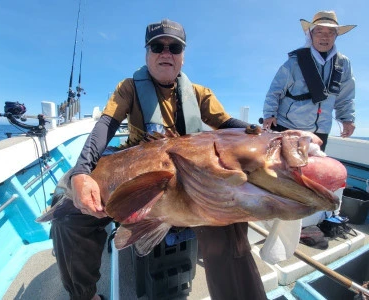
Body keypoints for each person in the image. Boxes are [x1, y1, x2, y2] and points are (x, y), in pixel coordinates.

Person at [50, 19, 267, 300]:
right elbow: (105, 127)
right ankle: (84, 295)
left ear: (182, 56)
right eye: (157, 46)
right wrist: (81, 172)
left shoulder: (201, 94)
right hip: (136, 178)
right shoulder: (128, 88)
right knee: (68, 219)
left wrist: (263, 135)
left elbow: (229, 126)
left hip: (187, 184)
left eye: (174, 47)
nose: (166, 53)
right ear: (147, 53)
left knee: (232, 222)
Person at [262, 10, 356, 151]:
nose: (325, 36)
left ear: (336, 36)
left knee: (310, 170)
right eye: (319, 31)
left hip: (320, 131)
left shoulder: (344, 63)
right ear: (310, 34)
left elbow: (346, 96)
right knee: (281, 169)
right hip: (287, 126)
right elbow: (275, 90)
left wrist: (347, 119)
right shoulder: (295, 61)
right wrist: (269, 114)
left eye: (331, 32)